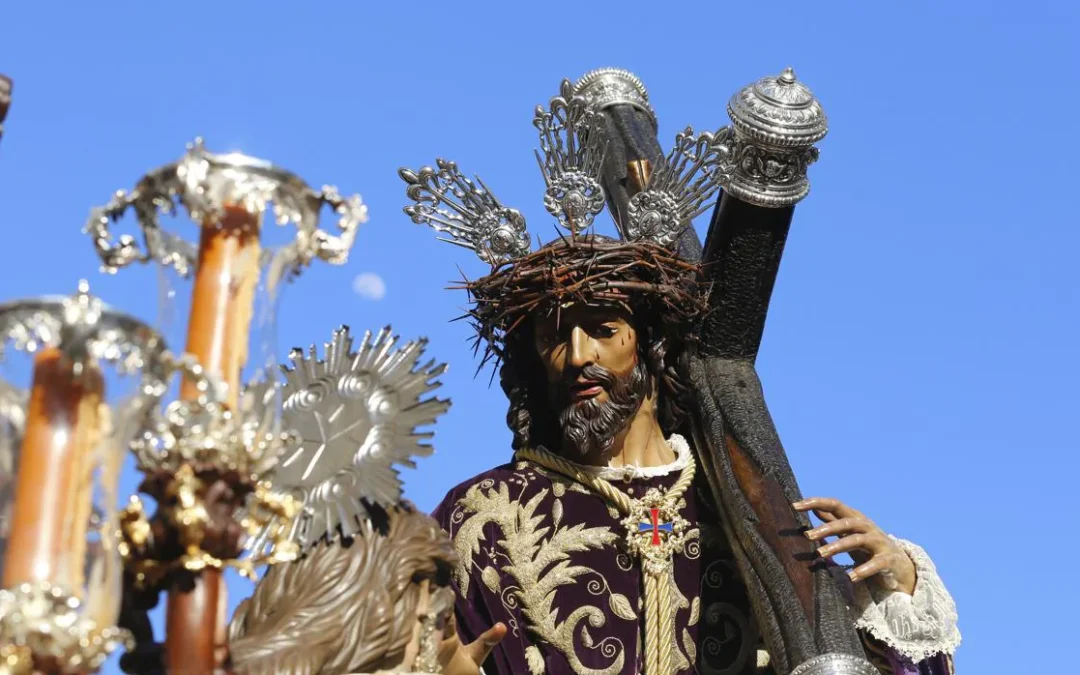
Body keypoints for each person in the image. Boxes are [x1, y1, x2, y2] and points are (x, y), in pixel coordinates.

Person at [402, 72, 960, 675]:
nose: (580, 354)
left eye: (605, 330)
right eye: (555, 337)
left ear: (650, 346)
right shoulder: (482, 516)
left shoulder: (751, 510)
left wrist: (896, 589)